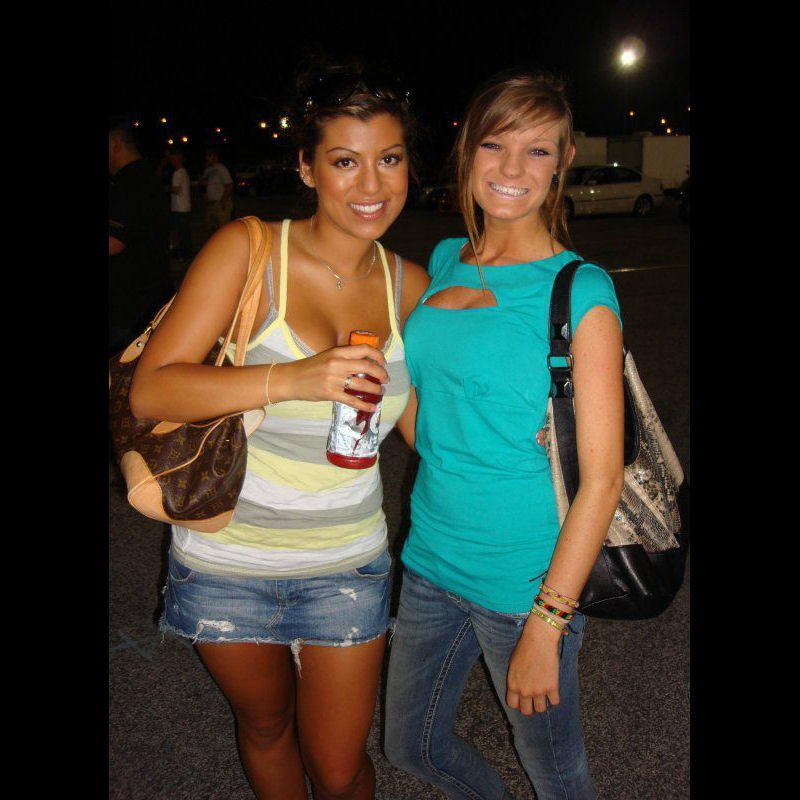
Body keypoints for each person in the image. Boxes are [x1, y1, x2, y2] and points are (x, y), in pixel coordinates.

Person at [128, 68, 429, 800]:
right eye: (345, 160)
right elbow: (152, 388)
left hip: (347, 562)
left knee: (340, 767)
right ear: (306, 167)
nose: (371, 184)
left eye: (389, 158)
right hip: (225, 559)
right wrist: (293, 378)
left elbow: (429, 433)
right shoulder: (250, 250)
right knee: (265, 728)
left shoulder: (412, 287)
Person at [384, 69, 625, 800]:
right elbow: (430, 420)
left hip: (524, 583)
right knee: (411, 747)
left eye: (537, 150)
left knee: (555, 773)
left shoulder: (581, 290)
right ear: (468, 149)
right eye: (495, 144)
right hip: (430, 560)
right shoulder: (447, 258)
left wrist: (547, 626)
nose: (512, 168)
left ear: (563, 161)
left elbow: (603, 480)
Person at [109, 120, 172, 354]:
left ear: (115, 145)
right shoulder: (143, 176)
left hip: (130, 301)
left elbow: (113, 242)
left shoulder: (130, 182)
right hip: (146, 293)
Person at [165, 147, 193, 260]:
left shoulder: (178, 173)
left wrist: (167, 188)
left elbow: (176, 189)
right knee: (183, 232)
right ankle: (185, 253)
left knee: (182, 233)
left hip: (180, 207)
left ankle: (185, 254)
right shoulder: (183, 172)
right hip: (182, 206)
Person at [199, 147, 234, 237]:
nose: (207, 158)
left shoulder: (221, 169)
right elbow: (203, 184)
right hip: (211, 204)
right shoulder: (208, 170)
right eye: (207, 156)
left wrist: (223, 200)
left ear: (215, 157)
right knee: (211, 229)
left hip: (220, 203)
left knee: (223, 230)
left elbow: (229, 185)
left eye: (209, 156)